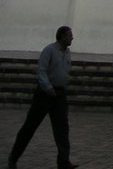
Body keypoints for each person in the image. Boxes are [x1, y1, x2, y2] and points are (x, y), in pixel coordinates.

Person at [8, 25, 78, 169]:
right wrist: (48, 87)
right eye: (69, 35)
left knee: (62, 128)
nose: (72, 37)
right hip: (45, 94)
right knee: (30, 126)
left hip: (59, 94)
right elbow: (41, 70)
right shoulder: (49, 50)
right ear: (62, 36)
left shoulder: (67, 52)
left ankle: (63, 161)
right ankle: (14, 156)